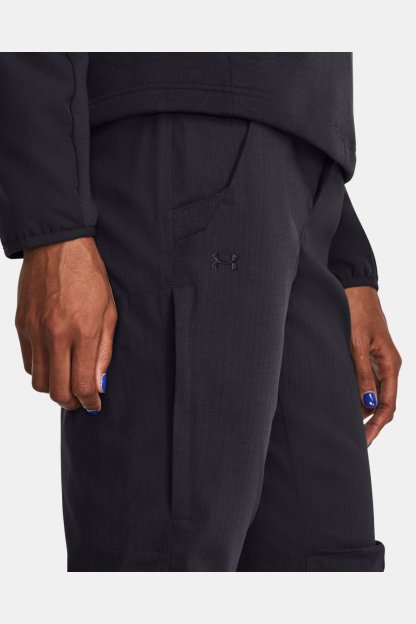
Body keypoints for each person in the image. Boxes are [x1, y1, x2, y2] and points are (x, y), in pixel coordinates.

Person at [0, 53, 401, 572]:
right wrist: (53, 225)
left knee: (327, 561)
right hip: (172, 147)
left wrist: (347, 263)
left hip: (306, 173)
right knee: (163, 561)